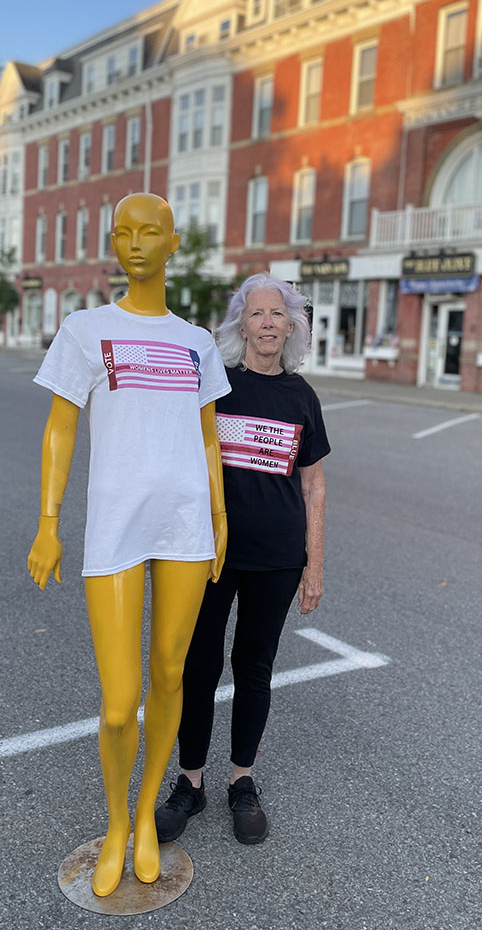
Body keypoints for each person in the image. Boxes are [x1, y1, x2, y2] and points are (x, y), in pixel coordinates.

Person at [26, 192, 230, 896]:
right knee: (119, 701)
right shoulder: (85, 329)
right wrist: (48, 520)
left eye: (150, 232)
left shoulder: (197, 341)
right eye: (123, 232)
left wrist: (220, 517)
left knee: (169, 676)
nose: (134, 242)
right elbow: (60, 426)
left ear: (174, 243)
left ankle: (145, 816)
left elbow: (208, 436)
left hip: (184, 528)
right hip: (116, 524)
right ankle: (115, 821)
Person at [155, 272, 329, 846]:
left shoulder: (302, 397)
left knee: (254, 669)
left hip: (277, 558)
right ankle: (191, 781)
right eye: (256, 314)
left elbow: (314, 488)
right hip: (212, 554)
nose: (268, 324)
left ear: (292, 326)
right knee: (200, 667)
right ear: (240, 324)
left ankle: (242, 782)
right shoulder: (217, 385)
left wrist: (314, 565)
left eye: (278, 314)